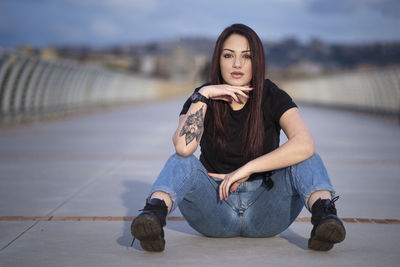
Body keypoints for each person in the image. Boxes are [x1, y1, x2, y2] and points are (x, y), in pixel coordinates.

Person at [130, 23, 346, 252]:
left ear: (257, 62)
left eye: (247, 56)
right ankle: (153, 217)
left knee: (307, 157)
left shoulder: (272, 95)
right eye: (228, 55)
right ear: (217, 60)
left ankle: (325, 219)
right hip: (214, 209)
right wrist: (204, 95)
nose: (237, 64)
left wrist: (248, 169)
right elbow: (184, 149)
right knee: (180, 161)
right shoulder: (201, 99)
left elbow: (305, 143)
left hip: (267, 209)